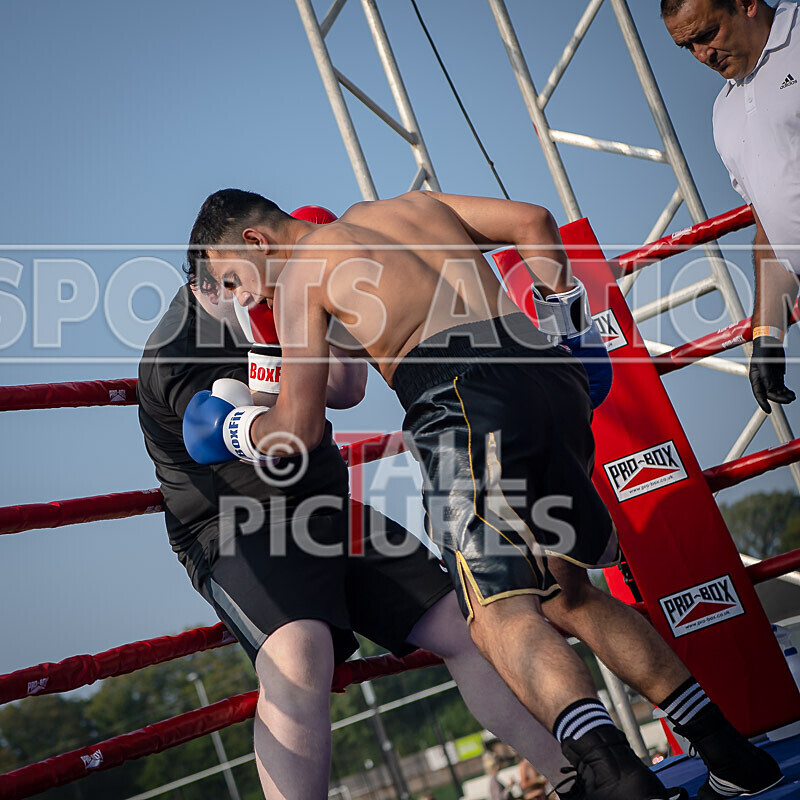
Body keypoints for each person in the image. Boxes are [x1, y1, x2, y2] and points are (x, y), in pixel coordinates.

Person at [183, 187, 783, 800]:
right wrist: (569, 326)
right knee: (567, 593)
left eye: (232, 280)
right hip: (550, 375)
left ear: (254, 242)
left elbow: (300, 429)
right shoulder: (413, 206)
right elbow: (533, 222)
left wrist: (231, 427)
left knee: (497, 614)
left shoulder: (302, 275)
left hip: (462, 401)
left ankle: (614, 777)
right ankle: (729, 752)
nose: (241, 298)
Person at [138, 205, 584, 800]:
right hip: (234, 526)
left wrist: (291, 328)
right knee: (300, 653)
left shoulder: (277, 293)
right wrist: (270, 386)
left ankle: (581, 779)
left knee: (465, 621)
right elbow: (207, 429)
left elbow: (347, 390)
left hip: (324, 510)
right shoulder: (182, 337)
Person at [662, 0, 800, 413]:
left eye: (707, 34)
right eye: (688, 47)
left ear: (746, 3)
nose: (703, 55)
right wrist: (767, 336)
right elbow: (770, 227)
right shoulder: (724, 112)